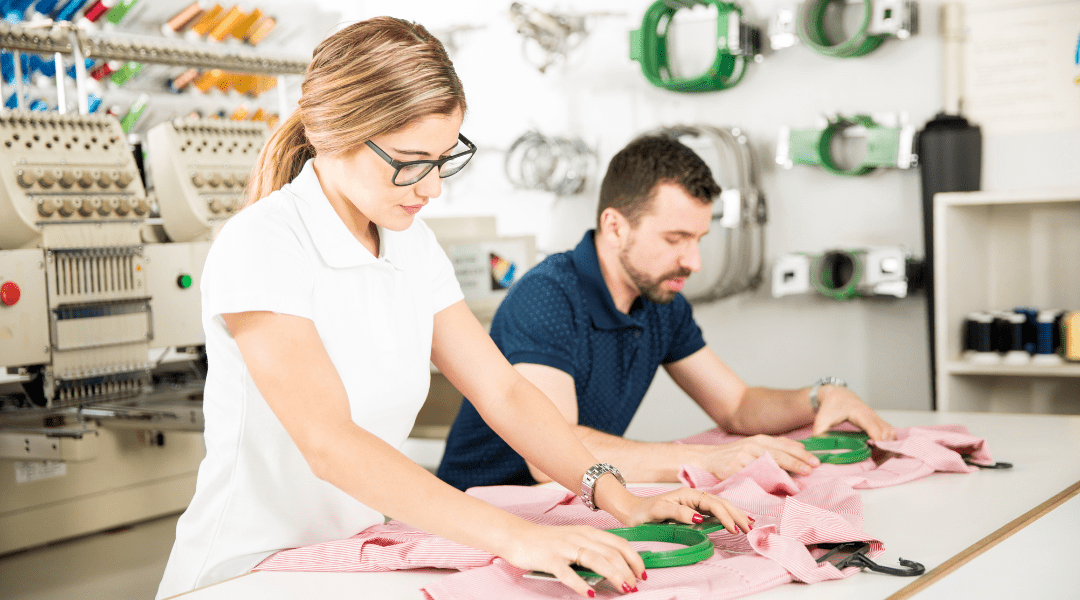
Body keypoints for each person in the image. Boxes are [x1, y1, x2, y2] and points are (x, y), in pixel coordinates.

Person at [155, 19, 753, 600]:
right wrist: (517, 538)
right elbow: (329, 443)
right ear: (333, 133)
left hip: (350, 557)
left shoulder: (410, 242)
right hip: (246, 571)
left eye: (444, 160)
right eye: (410, 162)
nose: (432, 187)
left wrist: (621, 499)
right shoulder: (264, 242)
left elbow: (505, 393)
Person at [438, 135, 896, 491]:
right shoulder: (547, 298)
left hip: (572, 506)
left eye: (698, 239)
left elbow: (736, 405)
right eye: (675, 239)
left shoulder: (660, 300)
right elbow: (550, 457)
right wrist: (703, 459)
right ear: (616, 226)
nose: (693, 262)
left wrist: (820, 397)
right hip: (479, 516)